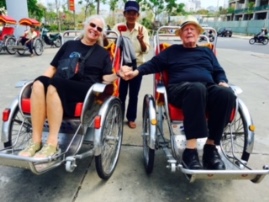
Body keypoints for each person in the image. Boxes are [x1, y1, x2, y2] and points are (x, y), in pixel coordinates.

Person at [122, 15, 236, 170]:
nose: (189, 32)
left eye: (192, 29)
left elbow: (218, 71)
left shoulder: (207, 52)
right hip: (180, 89)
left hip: (207, 88)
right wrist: (136, 72)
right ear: (181, 35)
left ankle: (210, 148)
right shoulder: (172, 51)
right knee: (197, 88)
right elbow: (154, 64)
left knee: (226, 93)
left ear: (197, 34)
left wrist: (222, 81)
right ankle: (190, 151)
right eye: (186, 30)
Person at [19, 15, 121, 158]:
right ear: (85, 25)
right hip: (61, 83)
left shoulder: (102, 53)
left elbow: (105, 78)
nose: (94, 29)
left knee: (54, 84)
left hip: (85, 90)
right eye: (92, 25)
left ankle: (52, 144)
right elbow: (53, 69)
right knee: (38, 84)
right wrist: (40, 84)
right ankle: (36, 142)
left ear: (101, 33)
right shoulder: (69, 45)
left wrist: (119, 74)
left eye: (99, 28)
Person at [106, 1, 150, 129]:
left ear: (138, 15)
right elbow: (110, 44)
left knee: (134, 94)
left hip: (138, 66)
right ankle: (118, 116)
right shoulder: (117, 28)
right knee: (121, 93)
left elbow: (145, 50)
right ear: (124, 14)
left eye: (134, 13)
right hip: (121, 66)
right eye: (129, 13)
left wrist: (141, 41)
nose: (131, 15)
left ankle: (131, 118)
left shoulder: (142, 30)